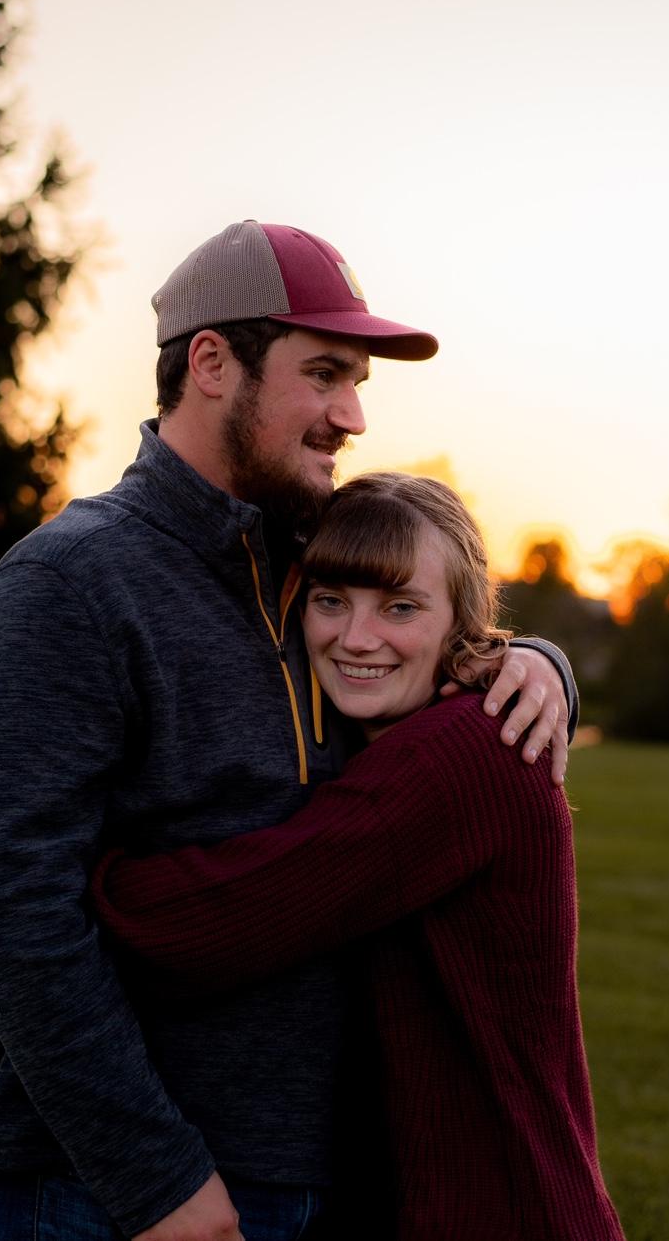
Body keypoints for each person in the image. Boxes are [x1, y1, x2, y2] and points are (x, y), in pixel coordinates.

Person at [0, 221, 577, 1241]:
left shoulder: (318, 569)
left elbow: (425, 631)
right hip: (113, 1193)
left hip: (321, 1181)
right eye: (324, 374)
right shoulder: (70, 582)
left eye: (357, 381)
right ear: (211, 364)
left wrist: (539, 662)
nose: (352, 415)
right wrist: (155, 1179)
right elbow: (5, 902)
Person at [92, 473, 626, 1241]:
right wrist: (546, 659)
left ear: (462, 619)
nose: (356, 637)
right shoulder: (381, 735)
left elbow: (230, 916)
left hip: (502, 1210)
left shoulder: (458, 753)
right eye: (330, 599)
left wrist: (87, 874)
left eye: (400, 607)